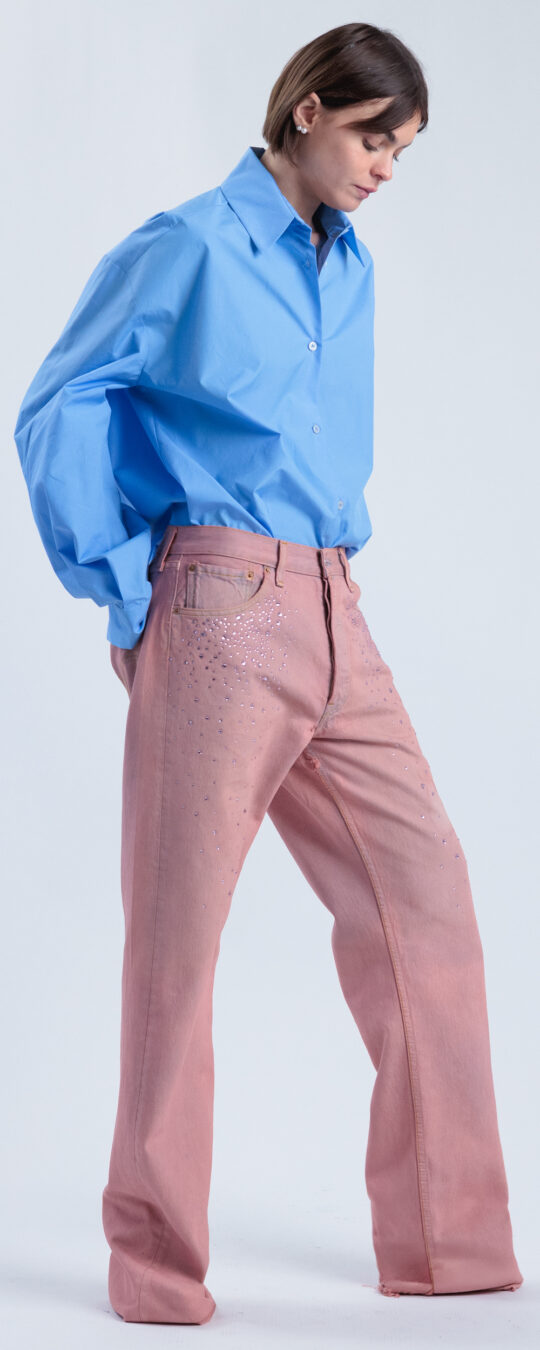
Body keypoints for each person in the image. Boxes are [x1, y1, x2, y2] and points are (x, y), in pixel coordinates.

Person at [13, 20, 523, 1325]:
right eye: (373, 137)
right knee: (178, 944)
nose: (386, 168)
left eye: (403, 150)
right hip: (218, 605)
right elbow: (61, 401)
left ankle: (451, 1246)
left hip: (338, 609)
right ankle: (153, 1267)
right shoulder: (186, 246)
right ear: (306, 111)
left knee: (428, 902)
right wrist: (125, 586)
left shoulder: (350, 268)